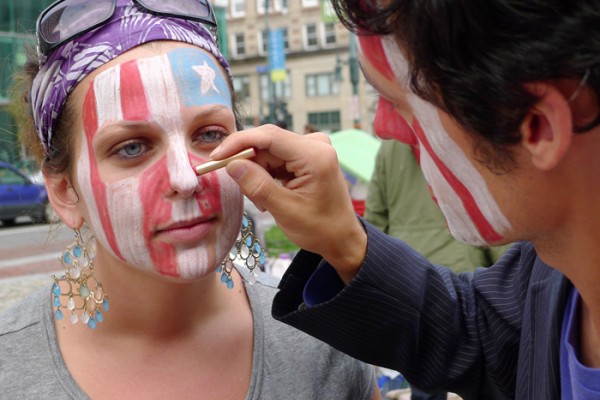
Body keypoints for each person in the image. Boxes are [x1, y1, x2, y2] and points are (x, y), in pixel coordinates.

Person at [208, 0, 600, 399]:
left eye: (398, 102)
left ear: (540, 127)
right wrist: (342, 242)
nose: (383, 128)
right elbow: (473, 331)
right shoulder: (551, 278)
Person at [0, 1, 381, 399]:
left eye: (210, 135)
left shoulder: (320, 337)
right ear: (64, 192)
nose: (185, 178)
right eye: (132, 148)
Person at [366, 140, 508, 400]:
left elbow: (375, 219)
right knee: (485, 374)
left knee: (425, 377)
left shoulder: (388, 148)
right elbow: (489, 212)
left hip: (407, 276)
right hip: (462, 266)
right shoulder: (454, 129)